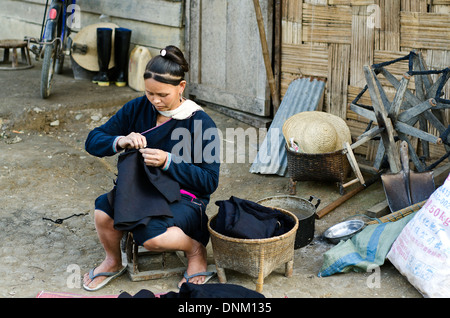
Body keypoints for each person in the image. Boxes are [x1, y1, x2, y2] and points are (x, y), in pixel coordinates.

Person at [82, 45, 220, 291]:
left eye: (163, 95)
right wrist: (120, 140)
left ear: (181, 87)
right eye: (149, 93)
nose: (155, 101)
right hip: (142, 190)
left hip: (184, 197)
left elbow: (209, 181)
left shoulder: (200, 122)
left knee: (152, 236)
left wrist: (169, 161)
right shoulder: (138, 108)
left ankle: (195, 249)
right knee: (103, 212)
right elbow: (93, 140)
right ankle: (113, 261)